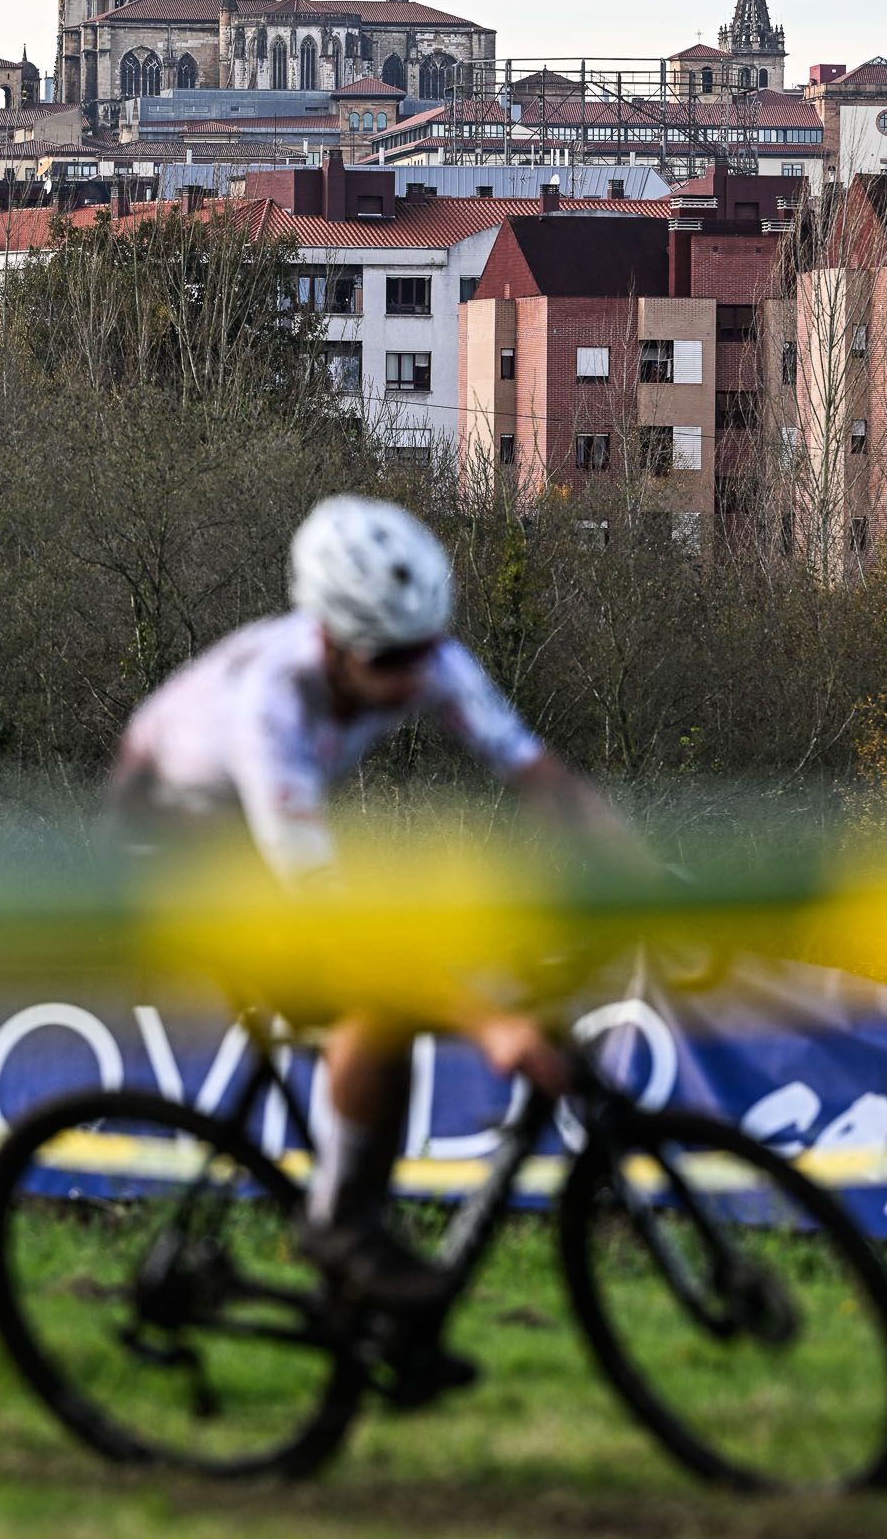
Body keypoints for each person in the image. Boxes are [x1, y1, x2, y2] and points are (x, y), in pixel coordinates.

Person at [110, 494, 645, 1308]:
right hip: (167, 850)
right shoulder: (270, 706)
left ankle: (353, 1234)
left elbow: (539, 777)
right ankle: (340, 1228)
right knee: (377, 999)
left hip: (258, 839)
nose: (412, 679)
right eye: (390, 662)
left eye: (423, 654)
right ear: (331, 640)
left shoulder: (419, 652)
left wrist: (645, 879)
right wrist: (488, 1022)